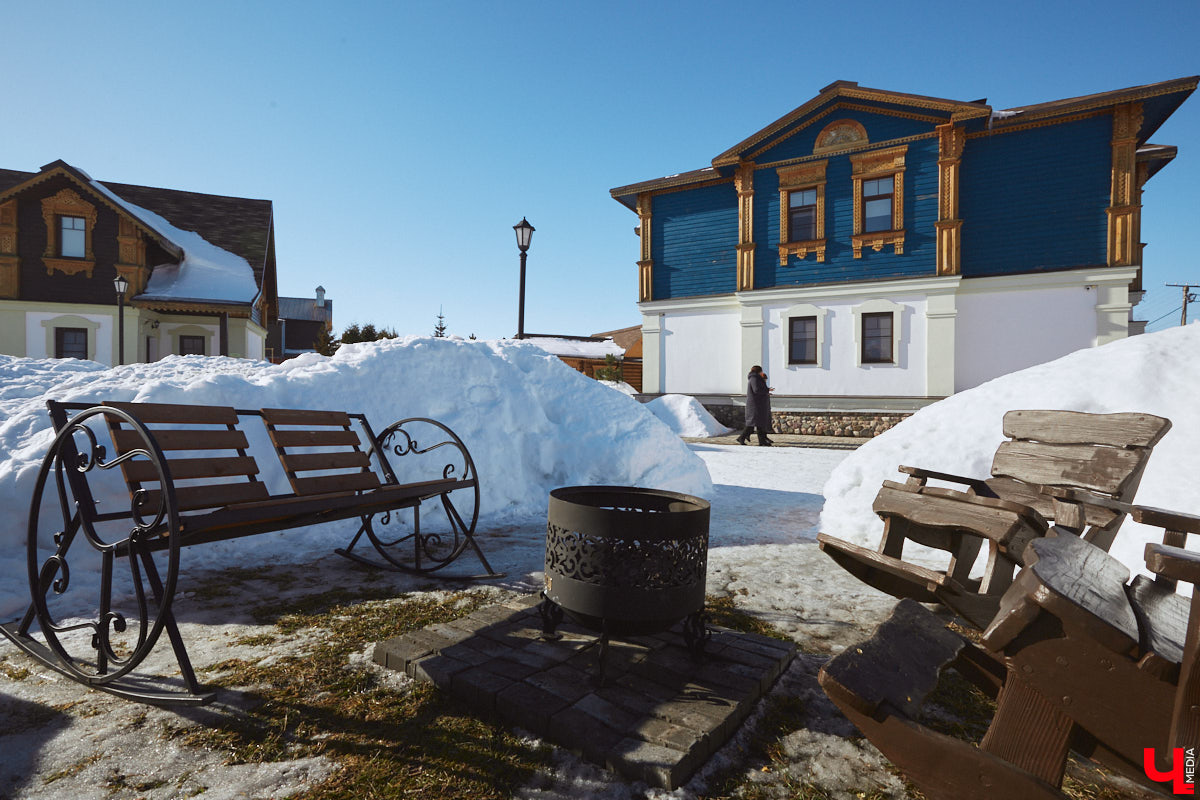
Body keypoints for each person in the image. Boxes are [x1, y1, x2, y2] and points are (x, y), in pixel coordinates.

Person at [736, 365, 774, 446]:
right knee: (755, 424)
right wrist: (766, 390)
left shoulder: (755, 378)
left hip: (757, 404)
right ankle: (743, 438)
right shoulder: (754, 378)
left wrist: (766, 391)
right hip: (756, 405)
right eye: (761, 371)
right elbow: (756, 390)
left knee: (758, 424)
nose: (762, 372)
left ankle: (759, 441)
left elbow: (757, 389)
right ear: (759, 371)